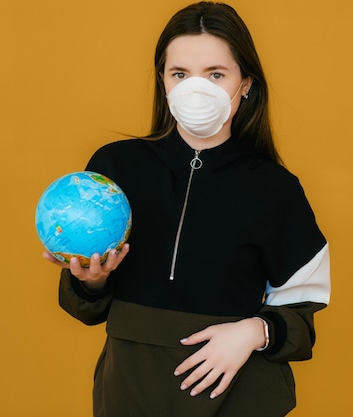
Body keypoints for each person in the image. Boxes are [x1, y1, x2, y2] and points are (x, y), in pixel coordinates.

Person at [43, 2, 331, 416]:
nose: (197, 89)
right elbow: (88, 309)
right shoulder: (114, 170)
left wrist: (253, 331)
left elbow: (302, 321)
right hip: (129, 394)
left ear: (245, 82)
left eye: (216, 74)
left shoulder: (277, 190)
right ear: (163, 80)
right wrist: (92, 281)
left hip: (237, 400)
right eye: (180, 74)